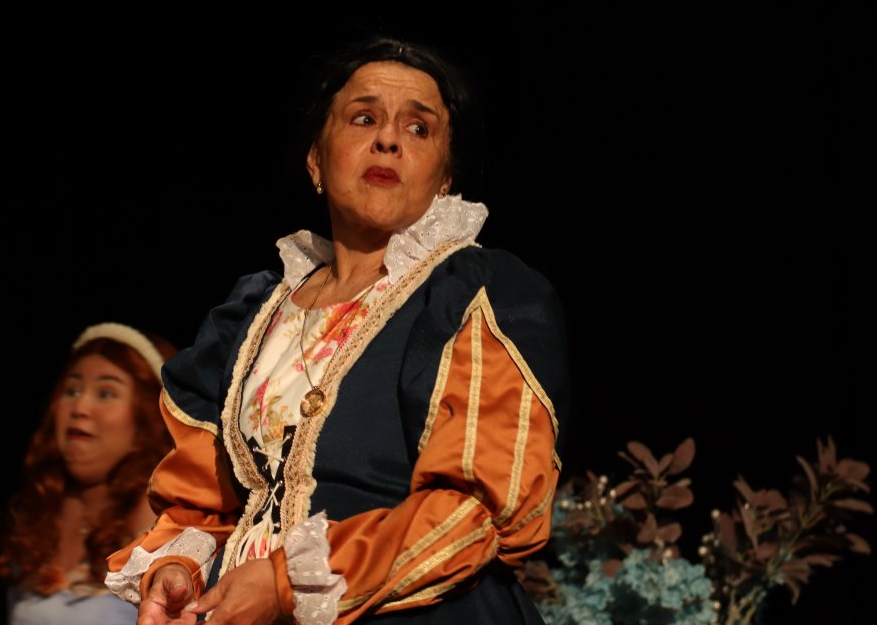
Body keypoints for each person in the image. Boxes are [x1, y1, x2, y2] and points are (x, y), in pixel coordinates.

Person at [106, 36, 570, 625]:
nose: (389, 140)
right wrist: (180, 569)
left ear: (445, 176)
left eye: (419, 128)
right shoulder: (251, 314)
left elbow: (479, 511)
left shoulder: (474, 292)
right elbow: (203, 504)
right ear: (316, 160)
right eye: (364, 118)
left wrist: (287, 584)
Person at [0, 322, 179, 625]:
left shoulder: (163, 525)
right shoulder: (39, 514)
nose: (80, 406)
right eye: (72, 390)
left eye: (106, 393)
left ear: (148, 417)